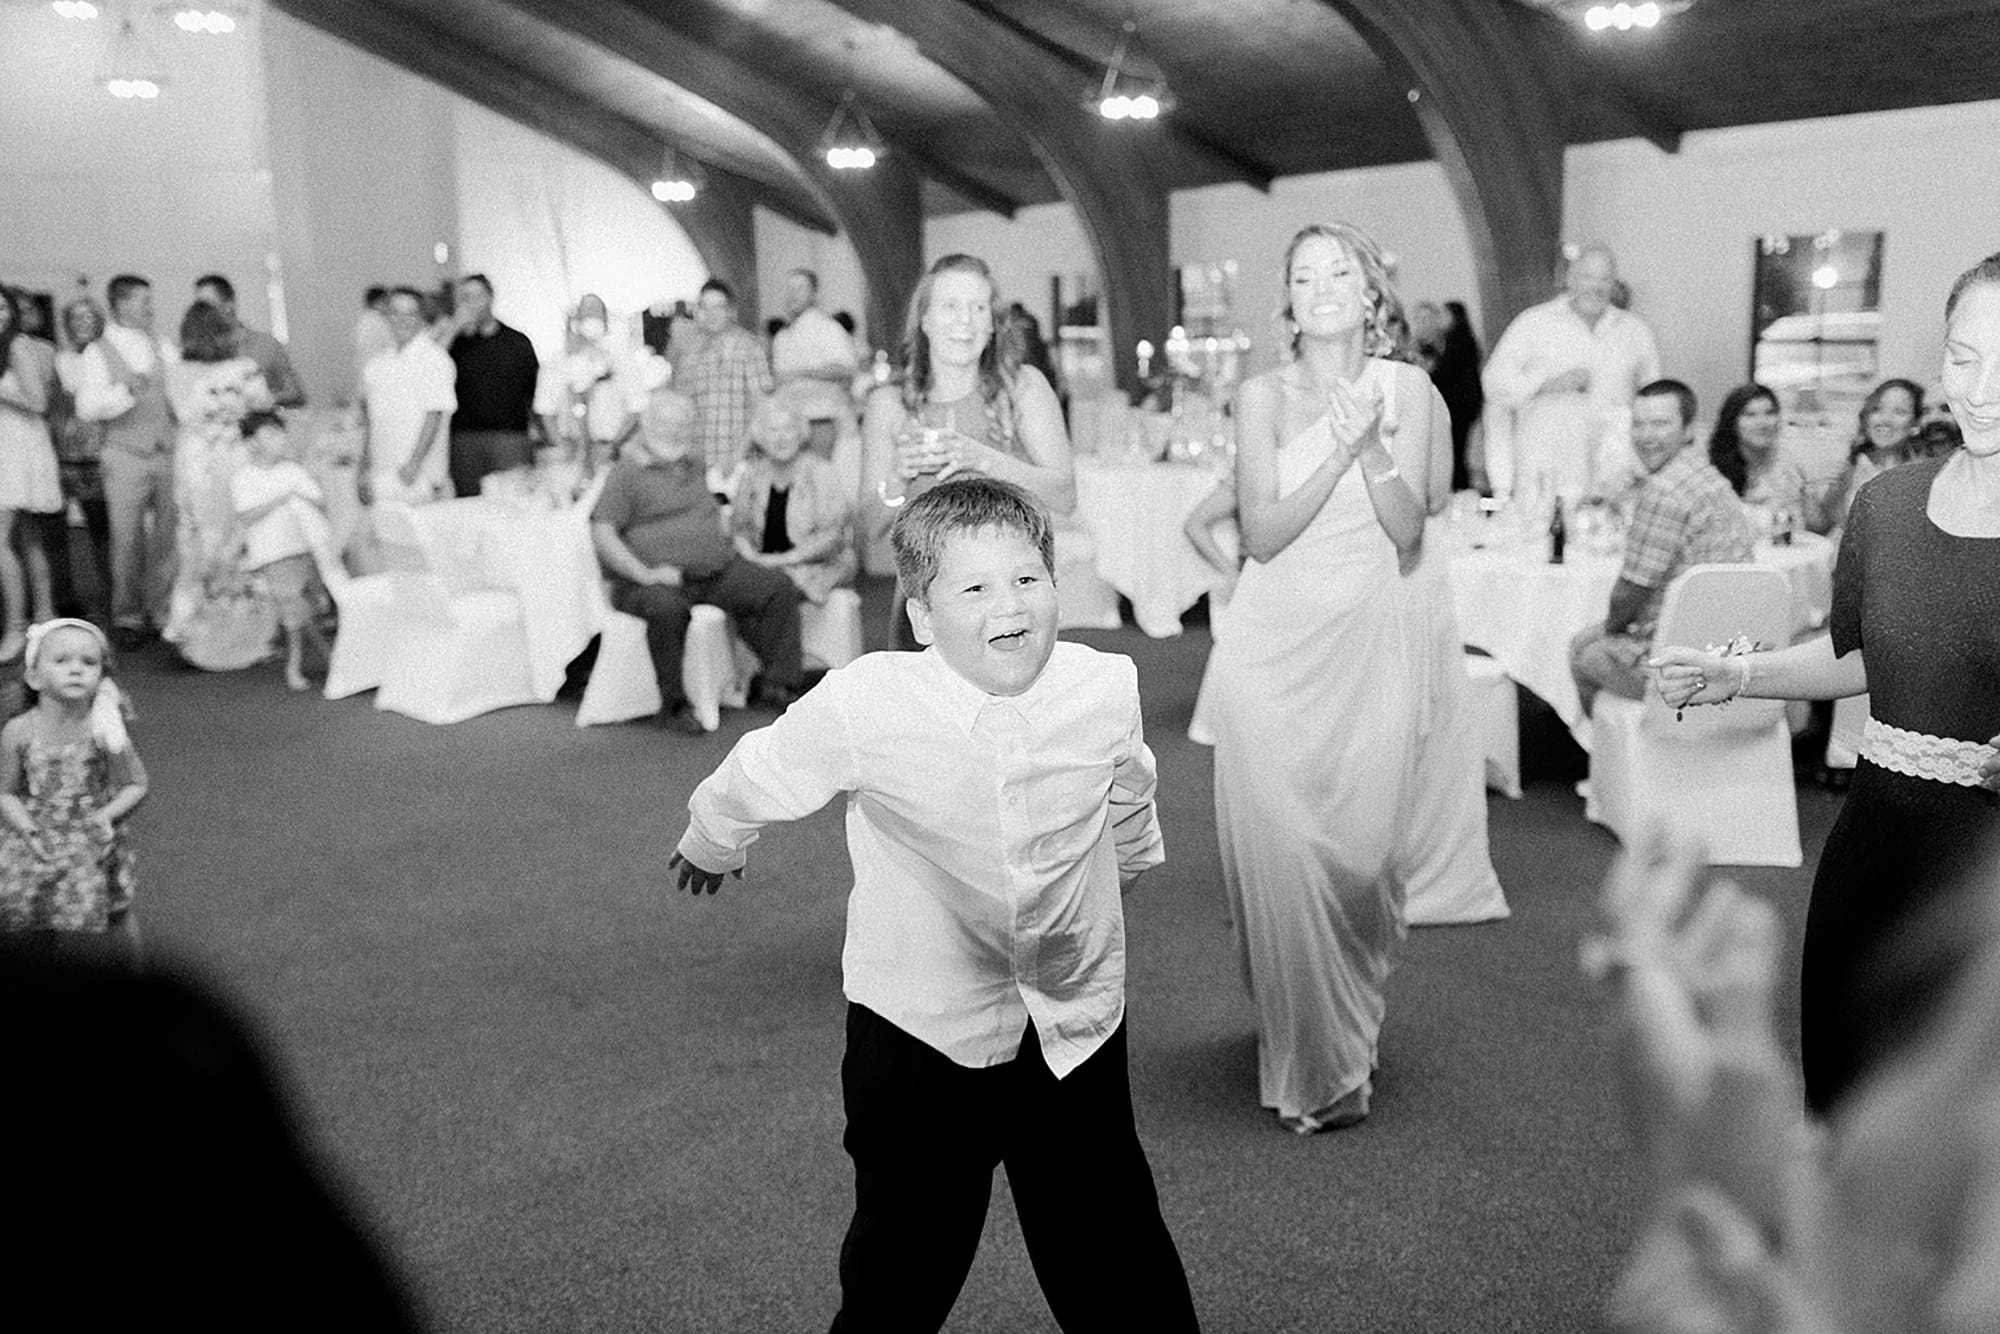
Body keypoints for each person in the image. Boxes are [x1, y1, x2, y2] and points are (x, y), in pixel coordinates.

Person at [668, 477, 1200, 1333]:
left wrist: (1131, 860)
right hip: (921, 1029)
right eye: (975, 588)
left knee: (1113, 1247)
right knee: (903, 1261)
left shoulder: (1103, 684)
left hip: (1071, 1018)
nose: (1010, 605)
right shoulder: (870, 701)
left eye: (1029, 579)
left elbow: (1129, 786)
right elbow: (763, 768)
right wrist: (712, 837)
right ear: (920, 616)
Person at [1653, 251, 2000, 1117]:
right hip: (1873, 852)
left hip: (1983, 880)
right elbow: (1859, 656)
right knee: (1845, 1111)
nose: (1983, 387)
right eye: (1964, 358)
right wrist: (1739, 672)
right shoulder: (1888, 504)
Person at [1203, 221, 1436, 1133]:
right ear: (1288, 301)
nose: (1326, 285)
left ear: (1371, 292)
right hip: (1270, 652)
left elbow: (1408, 529)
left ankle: (1344, 1015)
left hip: (1365, 645)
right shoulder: (1259, 396)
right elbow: (1257, 536)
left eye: (1342, 270)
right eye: (1306, 275)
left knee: (1365, 856)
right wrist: (1336, 449)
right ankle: (1316, 1068)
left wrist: (1371, 446)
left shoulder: (1406, 390)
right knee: (1286, 852)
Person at [861, 253, 1076, 648]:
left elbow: (1065, 495)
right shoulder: (889, 403)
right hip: (927, 604)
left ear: (992, 324)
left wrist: (982, 459)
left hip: (1011, 602)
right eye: (950, 307)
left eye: (978, 308)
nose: (965, 321)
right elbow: (870, 526)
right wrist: (898, 477)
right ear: (924, 320)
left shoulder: (1024, 388)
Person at [589, 389, 805, 736]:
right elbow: (602, 532)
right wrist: (644, 574)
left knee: (776, 587)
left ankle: (778, 683)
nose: (676, 431)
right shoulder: (625, 473)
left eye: (684, 424)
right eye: (667, 423)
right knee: (667, 609)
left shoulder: (693, 464)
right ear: (646, 425)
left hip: (712, 571)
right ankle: (673, 705)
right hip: (648, 581)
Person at [1569, 379, 1756, 718]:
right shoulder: (1707, 475)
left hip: (1681, 661)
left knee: (1582, 651)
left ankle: (1611, 756)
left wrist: (1612, 628)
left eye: (1660, 424)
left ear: (1688, 430)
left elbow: (1629, 592)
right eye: (1638, 424)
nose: (1646, 436)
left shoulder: (1664, 490)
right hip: (1730, 642)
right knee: (1590, 638)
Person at [0, 619, 146, 959]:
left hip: (93, 837)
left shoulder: (105, 729)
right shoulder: (18, 731)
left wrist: (107, 815)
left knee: (116, 914)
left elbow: (136, 784)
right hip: (36, 840)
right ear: (34, 676)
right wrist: (24, 825)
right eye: (62, 661)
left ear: (102, 676)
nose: (76, 670)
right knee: (32, 916)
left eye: (88, 662)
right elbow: (4, 791)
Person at [1482, 244, 1661, 498]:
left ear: (1614, 285)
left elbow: (1654, 397)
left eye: (1605, 279)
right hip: (1546, 474)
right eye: (1588, 277)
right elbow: (1493, 383)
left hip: (1614, 478)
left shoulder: (1635, 331)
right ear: (1570, 279)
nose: (1596, 287)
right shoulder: (1533, 323)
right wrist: (1548, 384)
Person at [161, 301, 275, 670]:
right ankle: (243, 636)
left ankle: (193, 633)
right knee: (237, 542)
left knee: (195, 544)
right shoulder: (243, 369)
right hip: (232, 460)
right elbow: (263, 402)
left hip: (194, 463)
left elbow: (180, 413)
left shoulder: (176, 371)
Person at [70, 274, 179, 650]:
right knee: (126, 537)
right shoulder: (97, 351)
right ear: (121, 304)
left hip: (165, 449)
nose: (151, 307)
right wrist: (124, 393)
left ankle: (164, 609)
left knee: (168, 535)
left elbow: (177, 392)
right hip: (123, 452)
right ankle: (128, 615)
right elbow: (87, 408)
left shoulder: (161, 344)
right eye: (143, 300)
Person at [230, 411, 331, 692]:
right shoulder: (244, 477)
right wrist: (283, 497)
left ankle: (327, 656)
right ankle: (295, 665)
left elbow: (319, 502)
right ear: (252, 442)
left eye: (279, 433)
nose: (278, 440)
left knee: (306, 608)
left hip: (302, 548)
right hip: (273, 553)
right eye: (269, 435)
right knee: (292, 608)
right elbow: (247, 515)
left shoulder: (293, 471)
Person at [726, 395, 856, 605]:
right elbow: (739, 530)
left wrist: (783, 560)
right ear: (760, 436)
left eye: (788, 429)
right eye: (773, 430)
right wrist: (754, 560)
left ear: (800, 433)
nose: (781, 438)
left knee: (782, 589)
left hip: (817, 567)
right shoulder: (750, 475)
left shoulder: (820, 471)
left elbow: (833, 536)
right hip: (762, 566)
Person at [0, 289, 63, 663]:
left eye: (4, 307)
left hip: (17, 450)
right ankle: (44, 616)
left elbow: (38, 403)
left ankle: (16, 627)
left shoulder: (18, 346)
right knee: (27, 537)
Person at [358, 287, 456, 507]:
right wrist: (363, 468)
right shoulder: (377, 365)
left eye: (410, 313)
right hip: (383, 473)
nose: (402, 320)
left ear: (421, 318)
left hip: (419, 475)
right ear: (387, 317)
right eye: (396, 313)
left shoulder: (435, 360)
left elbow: (435, 415)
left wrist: (414, 463)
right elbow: (371, 422)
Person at [444, 274, 540, 497]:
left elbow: (535, 392)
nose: (473, 303)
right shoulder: (456, 344)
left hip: (510, 437)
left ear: (491, 297)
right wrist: (453, 328)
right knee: (469, 504)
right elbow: (430, 369)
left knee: (512, 505)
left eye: (478, 296)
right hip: (465, 439)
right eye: (466, 297)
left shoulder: (517, 342)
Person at [49, 297, 114, 622]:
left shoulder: (109, 356)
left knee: (104, 531)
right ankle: (65, 598)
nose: (82, 323)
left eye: (89, 317)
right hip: (65, 455)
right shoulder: (59, 360)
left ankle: (111, 599)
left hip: (101, 454)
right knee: (59, 531)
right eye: (75, 317)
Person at [536, 293, 653, 473]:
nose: (591, 317)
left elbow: (638, 408)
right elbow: (545, 410)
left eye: (597, 312)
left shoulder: (623, 361)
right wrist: (562, 447)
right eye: (587, 311)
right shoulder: (557, 363)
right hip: (573, 452)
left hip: (614, 450)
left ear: (606, 319)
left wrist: (613, 446)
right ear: (576, 317)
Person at [1707, 382, 1835, 536]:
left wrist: (1806, 489)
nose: (1762, 423)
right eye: (1750, 415)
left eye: (1769, 413)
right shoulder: (1713, 471)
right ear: (1733, 423)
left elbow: (1818, 527)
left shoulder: (1789, 465)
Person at [676, 278, 773, 479]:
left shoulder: (749, 347)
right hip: (699, 463)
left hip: (741, 462)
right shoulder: (690, 354)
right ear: (698, 311)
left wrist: (737, 456)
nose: (712, 314)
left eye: (719, 307)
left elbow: (761, 406)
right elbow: (684, 409)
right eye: (705, 307)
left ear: (730, 310)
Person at [1824, 378, 1924, 533]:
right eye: (1877, 409)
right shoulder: (1854, 466)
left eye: (1899, 412)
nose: (1885, 419)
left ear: (1915, 424)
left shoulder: (1923, 475)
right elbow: (1828, 525)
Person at [192, 273, 306, 408]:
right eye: (198, 308)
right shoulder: (198, 352)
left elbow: (295, 393)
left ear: (229, 305)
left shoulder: (266, 345)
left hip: (266, 424)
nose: (201, 314)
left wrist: (263, 401)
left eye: (207, 306)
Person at [770, 268, 859, 391]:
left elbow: (846, 371)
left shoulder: (829, 329)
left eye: (800, 288)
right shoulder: (782, 337)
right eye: (789, 289)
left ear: (814, 294)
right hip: (788, 404)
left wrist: (800, 375)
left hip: (823, 405)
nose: (793, 294)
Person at [352, 285, 394, 394]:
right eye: (387, 302)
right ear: (379, 301)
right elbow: (392, 347)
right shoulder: (380, 321)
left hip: (367, 373)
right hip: (379, 375)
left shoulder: (363, 321)